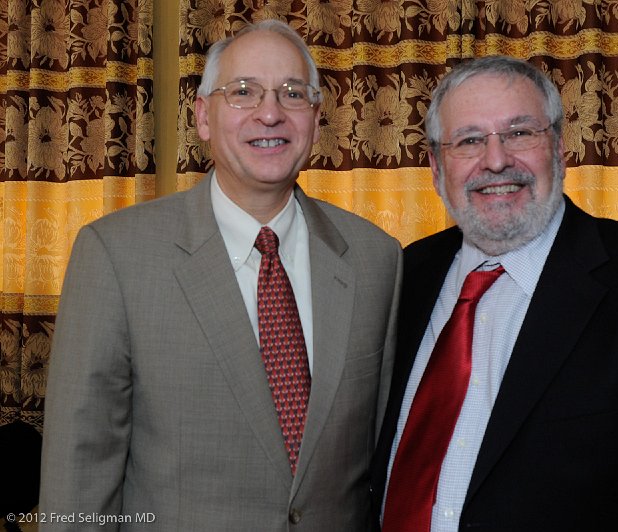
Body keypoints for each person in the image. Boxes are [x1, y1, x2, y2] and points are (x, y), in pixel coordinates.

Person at [371, 56, 618, 531]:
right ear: (437, 167)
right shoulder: (401, 274)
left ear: (560, 149)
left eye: (520, 133)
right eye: (470, 140)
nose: (496, 159)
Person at [40, 20, 401, 531]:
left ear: (317, 119)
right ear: (203, 117)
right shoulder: (115, 256)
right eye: (243, 92)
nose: (270, 112)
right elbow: (77, 476)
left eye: (292, 93)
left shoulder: (376, 258)